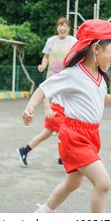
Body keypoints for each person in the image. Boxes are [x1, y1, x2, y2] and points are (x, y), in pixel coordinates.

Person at [22, 19, 111, 212]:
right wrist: (30, 107)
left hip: (91, 135)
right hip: (74, 136)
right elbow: (44, 88)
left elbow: (97, 96)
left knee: (72, 183)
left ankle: (44, 212)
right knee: (103, 183)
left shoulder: (100, 76)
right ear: (96, 48)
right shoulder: (73, 73)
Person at [17, 17, 77, 167]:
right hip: (55, 92)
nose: (62, 28)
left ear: (69, 28)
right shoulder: (51, 41)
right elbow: (46, 57)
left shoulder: (73, 41)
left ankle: (24, 150)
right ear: (57, 27)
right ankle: (63, 158)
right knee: (66, 132)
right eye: (60, 26)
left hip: (65, 80)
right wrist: (47, 108)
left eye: (65, 26)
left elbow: (77, 57)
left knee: (45, 135)